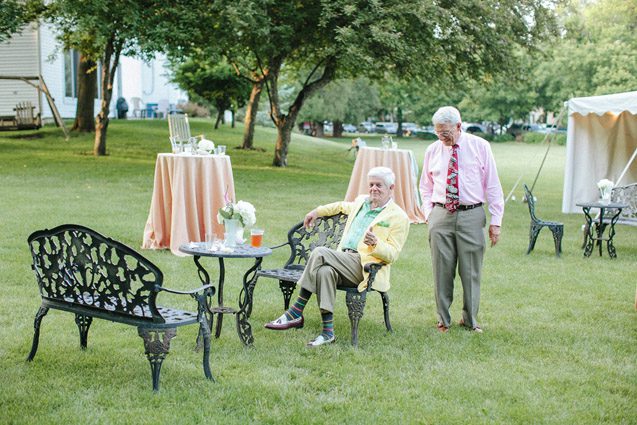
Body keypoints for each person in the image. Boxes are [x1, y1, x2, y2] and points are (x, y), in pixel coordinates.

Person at [264, 166, 410, 347]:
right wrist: (316, 212)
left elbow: (393, 254)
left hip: (364, 267)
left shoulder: (398, 217)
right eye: (371, 184)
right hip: (343, 260)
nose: (374, 189)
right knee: (325, 271)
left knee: (319, 252)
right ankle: (327, 333)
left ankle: (296, 311)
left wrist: (375, 244)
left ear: (391, 188)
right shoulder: (361, 203)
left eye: (379, 185)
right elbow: (340, 206)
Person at [419, 106, 504, 333]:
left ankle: (470, 319)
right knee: (442, 270)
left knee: (470, 271)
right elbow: (425, 186)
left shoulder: (480, 146)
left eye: (446, 132)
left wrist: (496, 221)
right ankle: (443, 319)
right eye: (438, 133)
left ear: (459, 126)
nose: (442, 137)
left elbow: (493, 185)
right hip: (441, 214)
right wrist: (429, 214)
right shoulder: (433, 150)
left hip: (471, 214)